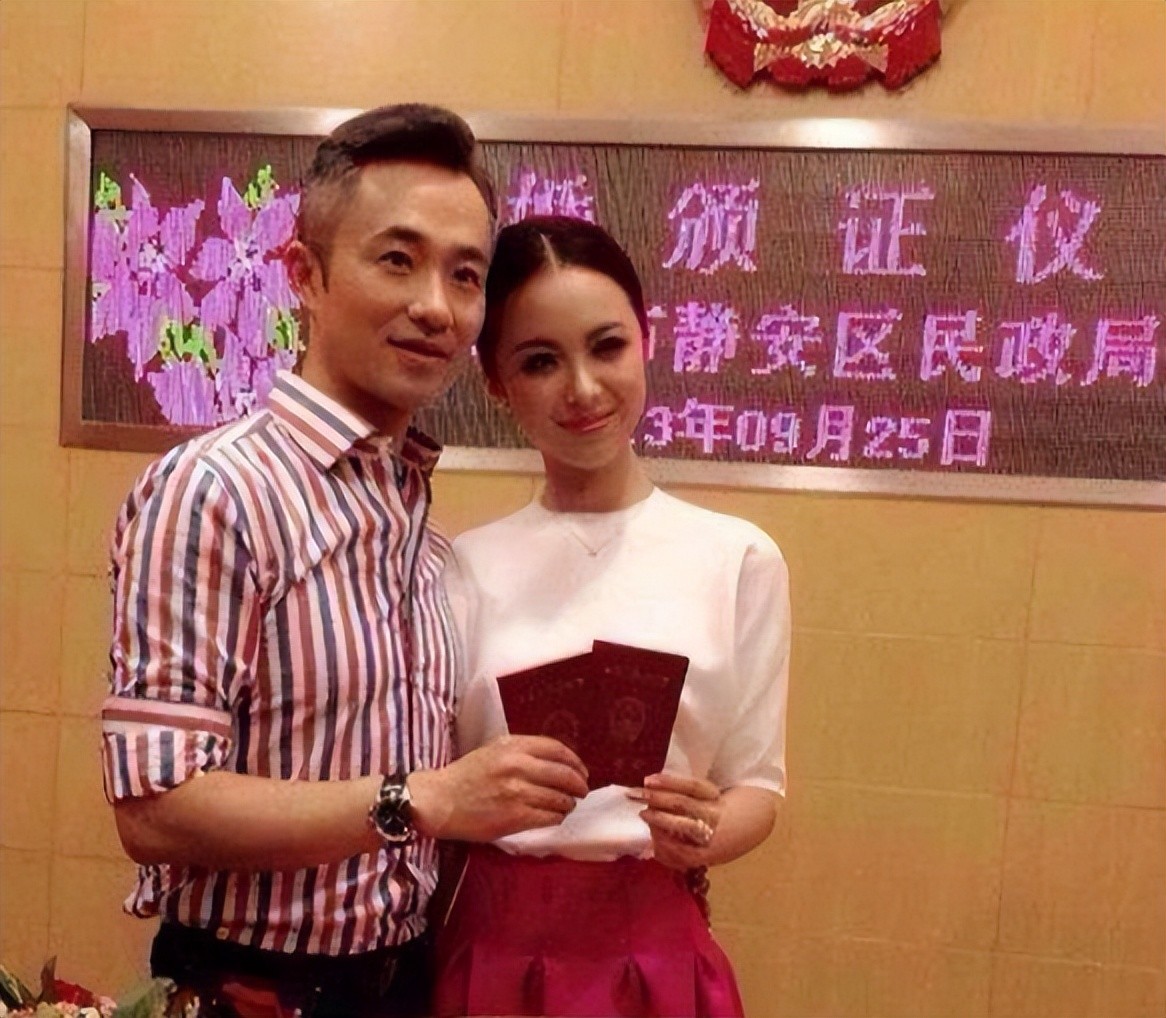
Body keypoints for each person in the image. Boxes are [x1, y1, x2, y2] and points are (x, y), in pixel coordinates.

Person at [99, 106, 589, 1018]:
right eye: (397, 259)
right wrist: (421, 800)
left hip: (405, 980)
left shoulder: (413, 522)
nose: (435, 306)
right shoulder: (217, 490)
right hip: (253, 989)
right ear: (305, 275)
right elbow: (155, 808)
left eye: (465, 274)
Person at [434, 215, 790, 1017]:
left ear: (647, 341)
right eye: (540, 361)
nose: (584, 389)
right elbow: (440, 792)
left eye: (607, 347)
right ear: (496, 382)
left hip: (656, 951)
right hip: (490, 951)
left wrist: (703, 832)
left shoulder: (739, 559)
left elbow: (758, 787)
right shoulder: (458, 568)